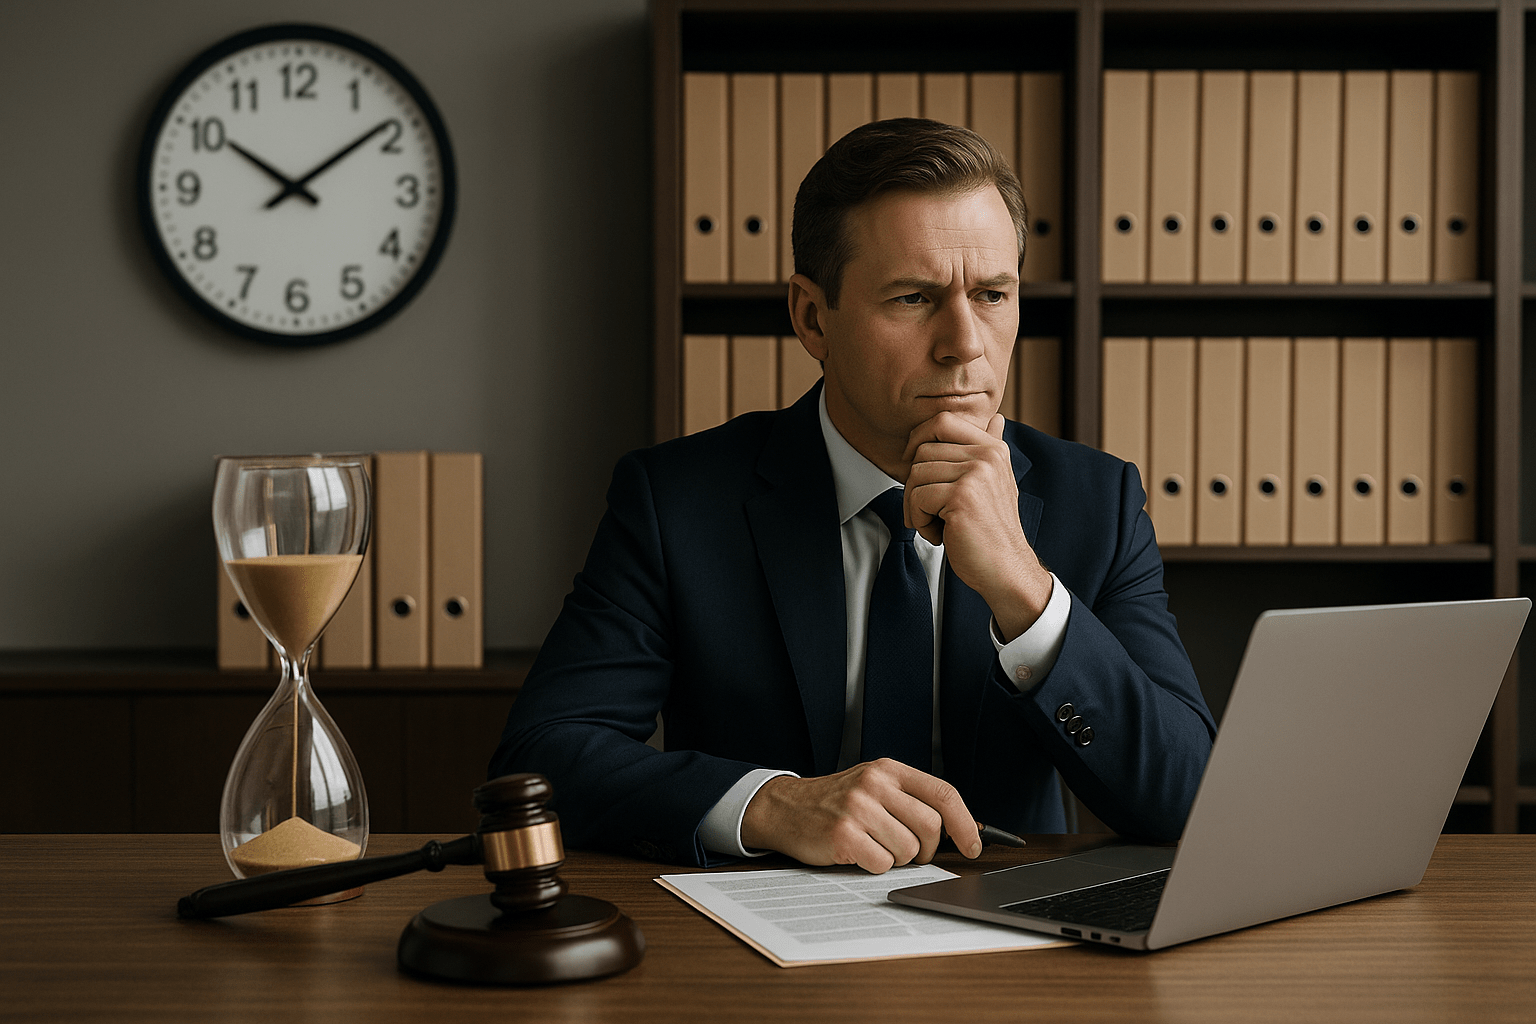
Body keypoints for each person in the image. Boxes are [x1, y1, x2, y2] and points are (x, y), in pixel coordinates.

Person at [490, 118, 1215, 872]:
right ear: (812, 317)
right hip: (759, 943)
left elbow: (1188, 794)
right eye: (912, 298)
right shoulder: (675, 502)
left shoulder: (1096, 501)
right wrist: (770, 805)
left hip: (1012, 946)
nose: (964, 342)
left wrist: (1026, 592)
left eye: (993, 294)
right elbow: (542, 761)